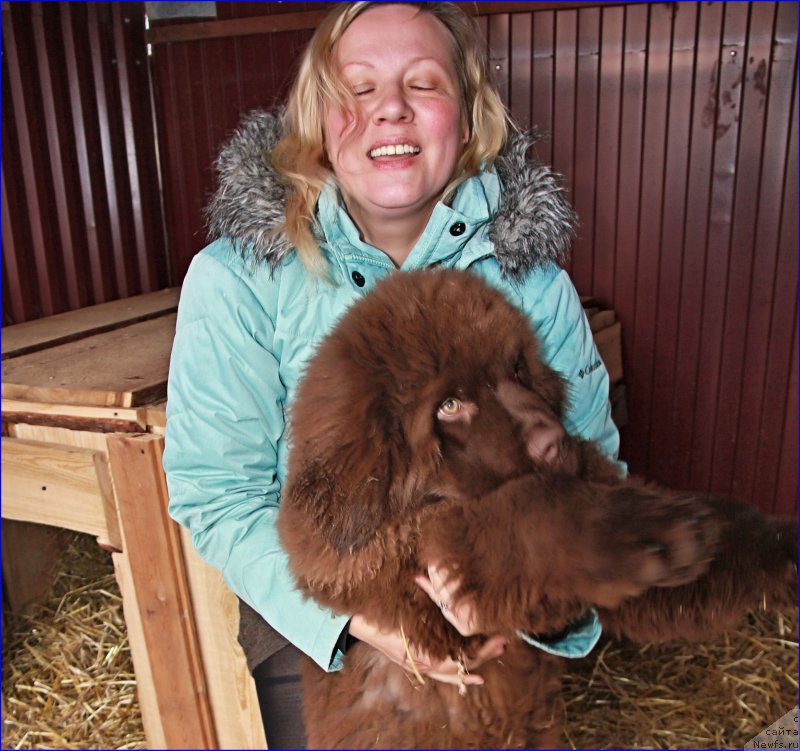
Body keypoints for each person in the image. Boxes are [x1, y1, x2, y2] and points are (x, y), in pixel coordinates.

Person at [163, 3, 623, 748]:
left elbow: (594, 473)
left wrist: (539, 592)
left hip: (495, 581)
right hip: (325, 594)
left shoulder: (533, 282)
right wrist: (356, 620)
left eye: (424, 83)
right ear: (317, 119)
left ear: (470, 121)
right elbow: (217, 490)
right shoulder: (238, 278)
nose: (391, 111)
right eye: (359, 89)